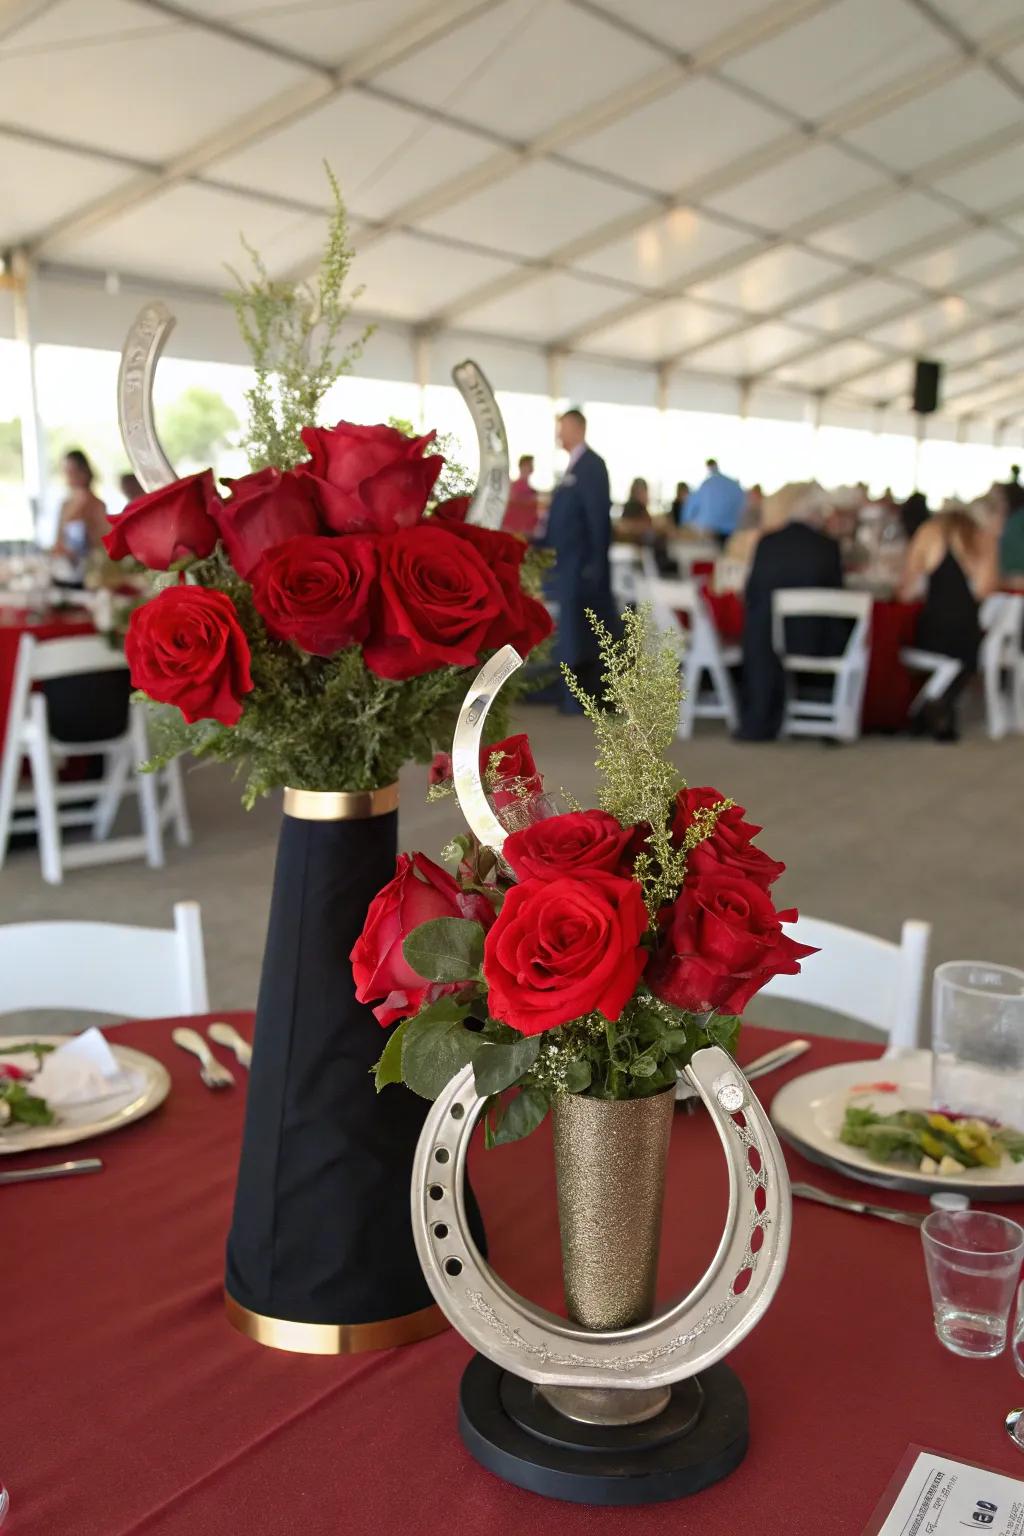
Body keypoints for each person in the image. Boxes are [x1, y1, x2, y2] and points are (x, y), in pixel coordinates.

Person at [737, 483, 844, 741]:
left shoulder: (767, 542)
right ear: (817, 513)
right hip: (813, 642)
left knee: (758, 618)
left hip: (767, 642)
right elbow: (838, 598)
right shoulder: (828, 547)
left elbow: (750, 592)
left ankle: (758, 715)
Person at [899, 508, 998, 740]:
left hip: (932, 632)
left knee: (939, 655)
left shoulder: (928, 533)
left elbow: (906, 592)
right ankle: (937, 707)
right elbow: (986, 590)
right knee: (963, 660)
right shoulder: (982, 538)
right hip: (967, 636)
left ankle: (931, 708)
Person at [542, 408, 616, 711]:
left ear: (577, 428)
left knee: (583, 633)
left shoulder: (591, 466)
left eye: (563, 428)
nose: (559, 435)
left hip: (581, 566)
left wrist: (595, 563)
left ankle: (581, 698)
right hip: (566, 565)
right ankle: (570, 695)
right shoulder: (574, 466)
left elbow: (598, 518)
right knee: (572, 632)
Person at [56, 449, 108, 562]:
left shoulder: (97, 505)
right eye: (66, 472)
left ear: (84, 472)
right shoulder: (65, 505)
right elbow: (58, 542)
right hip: (69, 570)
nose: (69, 477)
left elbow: (103, 543)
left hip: (91, 568)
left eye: (73, 472)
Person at [682, 458, 745, 544]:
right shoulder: (733, 484)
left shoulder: (706, 485)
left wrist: (684, 523)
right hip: (734, 530)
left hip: (710, 531)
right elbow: (744, 505)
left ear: (708, 468)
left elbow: (689, 511)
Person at [504, 454, 540, 536]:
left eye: (531, 465)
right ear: (521, 466)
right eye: (528, 464)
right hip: (512, 531)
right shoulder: (513, 486)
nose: (531, 467)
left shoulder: (532, 491)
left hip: (527, 533)